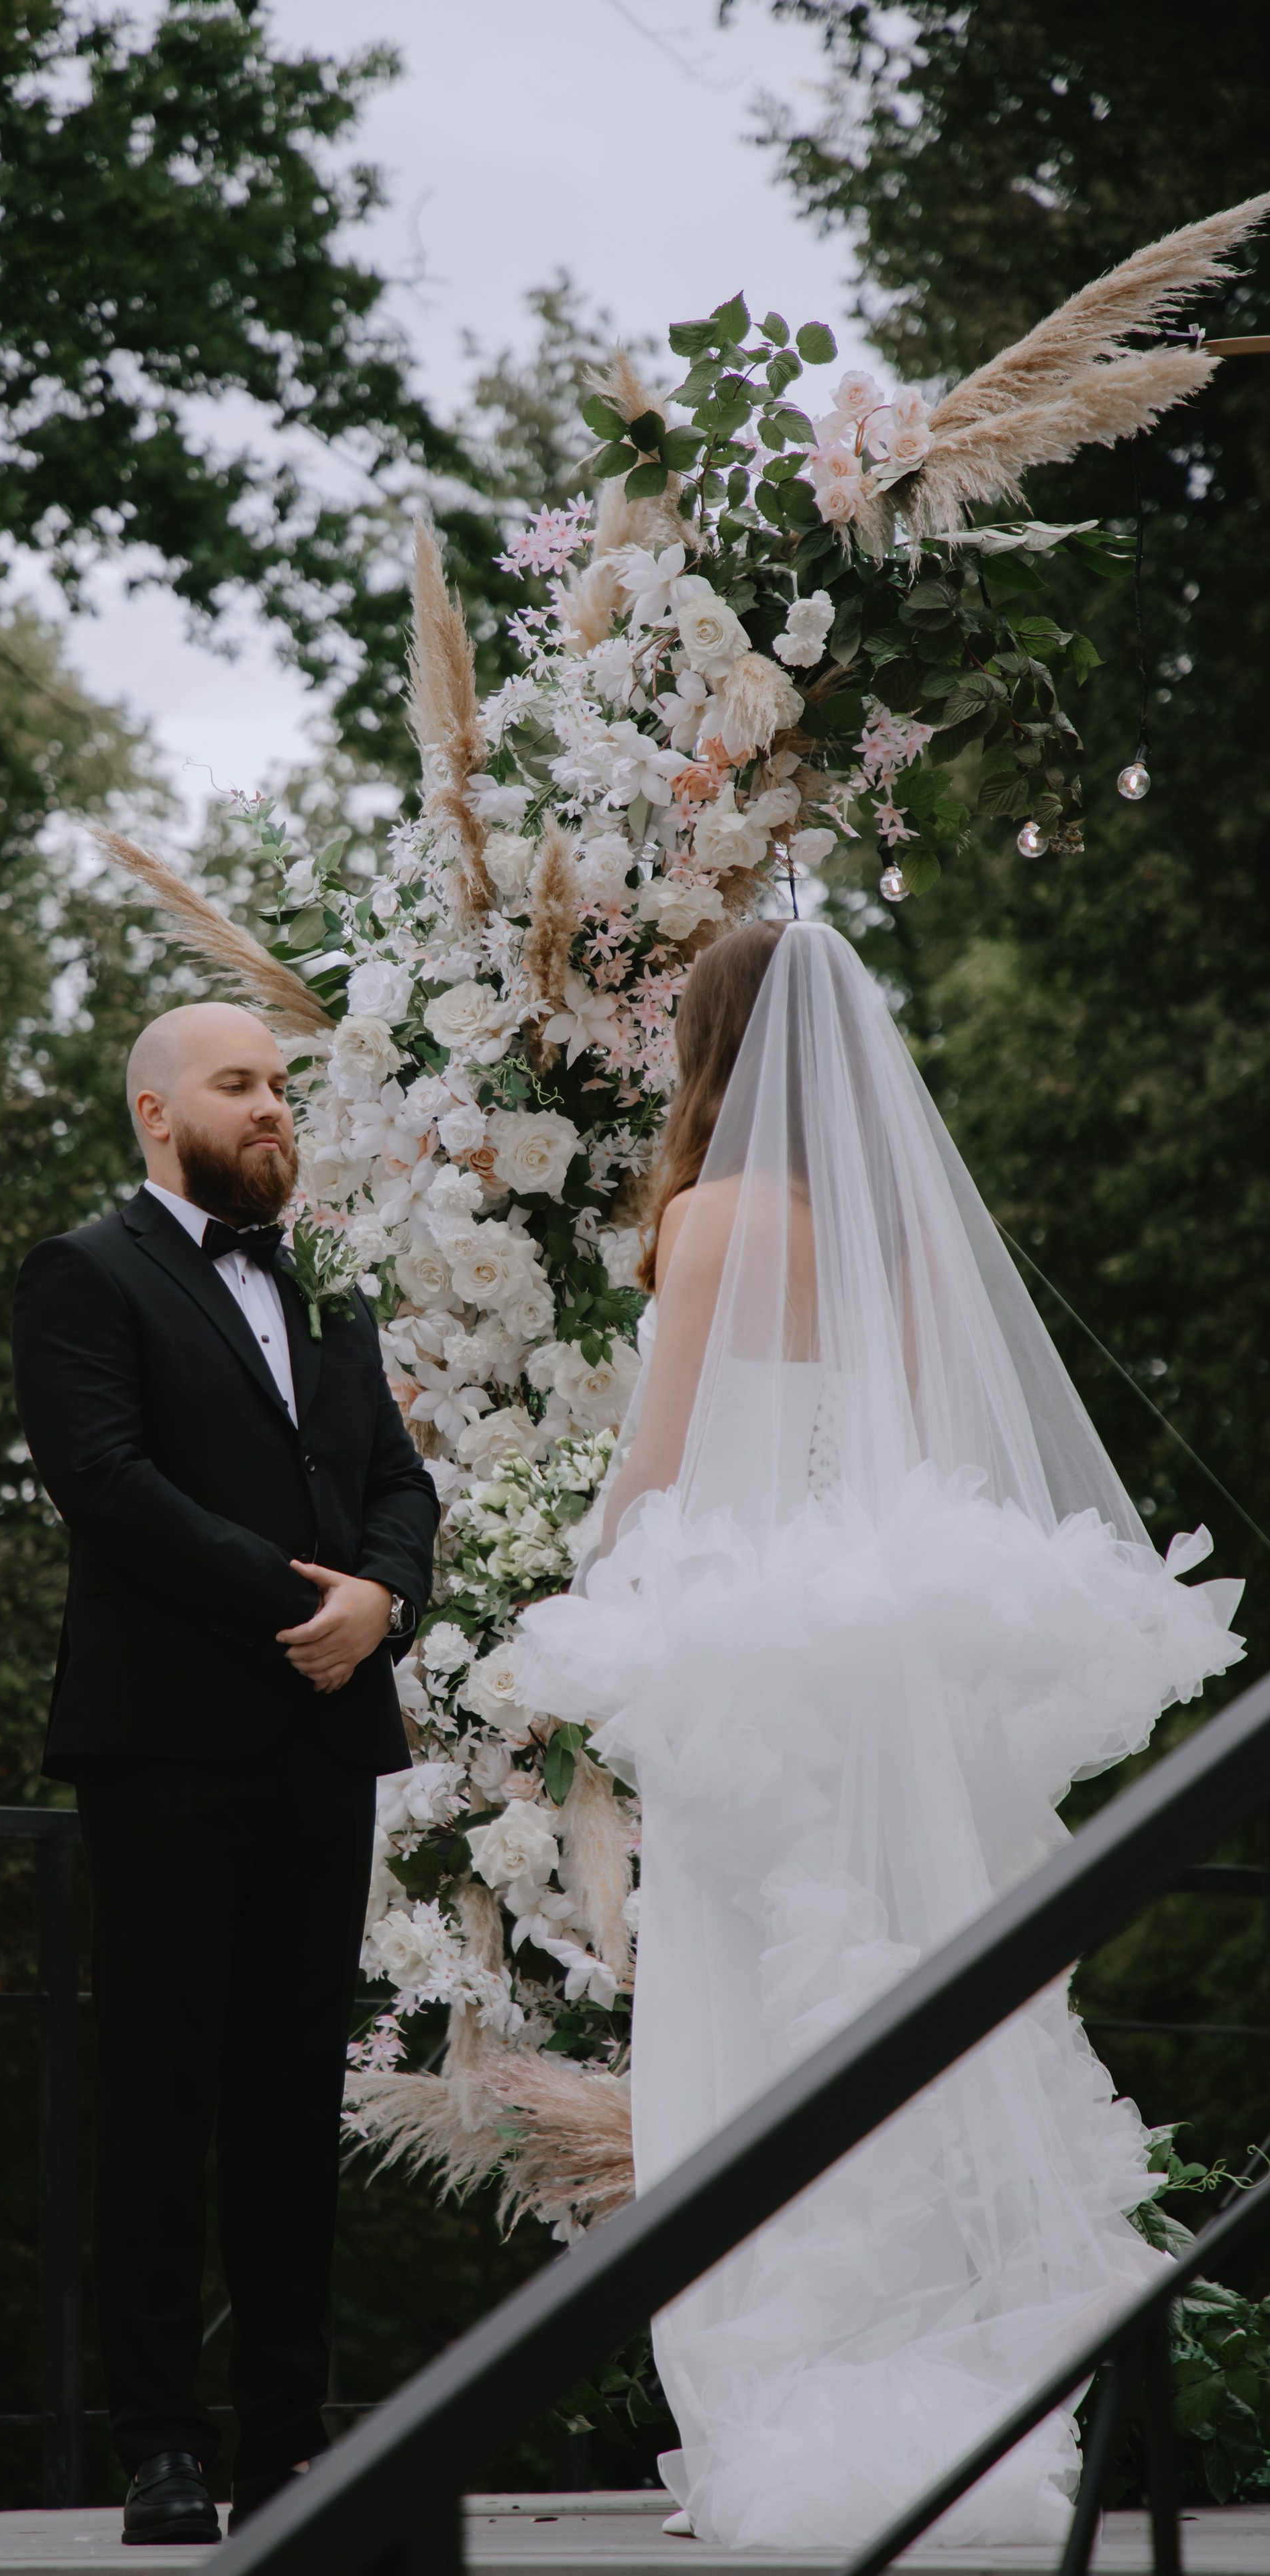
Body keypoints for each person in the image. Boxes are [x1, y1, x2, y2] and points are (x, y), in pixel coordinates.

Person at [515, 920, 1245, 2548]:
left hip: (746, 1666)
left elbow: (661, 1461)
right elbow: (913, 1449)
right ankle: (936, 2384)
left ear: (710, 1052)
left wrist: (565, 1615)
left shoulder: (707, 1218)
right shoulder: (894, 1242)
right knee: (897, 2006)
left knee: (737, 2019)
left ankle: (767, 2408)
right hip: (878, 1663)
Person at [11, 1001, 438, 2546]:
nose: (270, 1107)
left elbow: (397, 1479)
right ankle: (160, 2450)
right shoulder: (84, 1272)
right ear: (153, 1111)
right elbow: (107, 1486)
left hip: (321, 1744)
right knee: (160, 2094)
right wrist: (299, 1601)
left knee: (284, 2100)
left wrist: (380, 1602)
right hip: (168, 1745)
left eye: (278, 1085)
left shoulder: (324, 1280)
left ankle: (287, 2439)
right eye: (237, 1084)